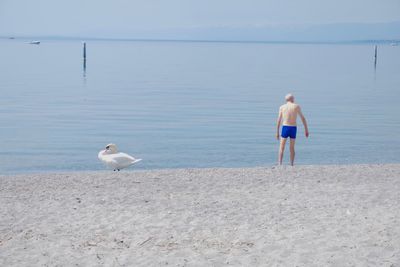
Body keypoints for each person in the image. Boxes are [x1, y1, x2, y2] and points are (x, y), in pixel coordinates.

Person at [276, 93, 309, 166]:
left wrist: (277, 132)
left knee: (281, 146)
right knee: (292, 147)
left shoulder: (282, 107)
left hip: (285, 127)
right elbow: (303, 118)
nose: (294, 100)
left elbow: (279, 120)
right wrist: (306, 129)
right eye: (293, 98)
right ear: (291, 99)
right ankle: (291, 164)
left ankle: (280, 163)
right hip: (293, 128)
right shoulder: (296, 106)